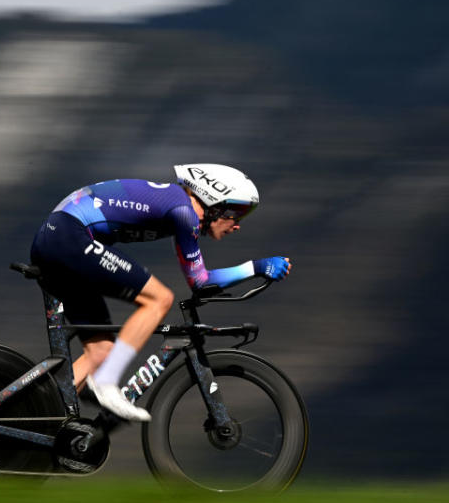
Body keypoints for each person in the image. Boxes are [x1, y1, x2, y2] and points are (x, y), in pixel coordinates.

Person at [30, 163, 291, 421]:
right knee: (159, 299)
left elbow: (200, 281)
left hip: (61, 236)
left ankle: (45, 418)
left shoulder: (179, 208)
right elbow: (200, 281)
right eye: (238, 212)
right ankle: (107, 383)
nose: (237, 225)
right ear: (216, 202)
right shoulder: (184, 211)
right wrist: (257, 267)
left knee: (101, 352)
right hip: (68, 235)